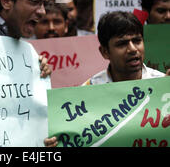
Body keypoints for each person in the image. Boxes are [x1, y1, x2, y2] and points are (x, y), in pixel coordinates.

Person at [45, 11, 170, 147]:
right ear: (104, 52)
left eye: (137, 41)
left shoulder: (164, 86)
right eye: (122, 44)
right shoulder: (87, 92)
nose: (133, 49)